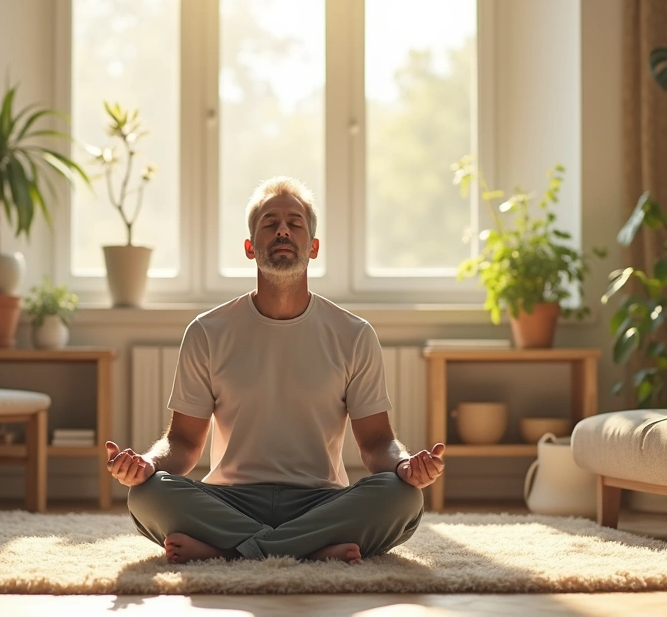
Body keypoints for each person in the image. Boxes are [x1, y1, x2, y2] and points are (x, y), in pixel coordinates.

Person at [105, 176, 446, 565]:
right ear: (250, 248)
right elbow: (182, 443)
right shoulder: (207, 331)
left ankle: (230, 551)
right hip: (230, 500)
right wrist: (147, 464)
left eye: (295, 223)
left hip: (321, 501)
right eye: (270, 223)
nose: (283, 230)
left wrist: (404, 466)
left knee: (401, 496)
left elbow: (375, 444)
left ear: (312, 247)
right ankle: (308, 550)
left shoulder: (354, 334)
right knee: (148, 494)